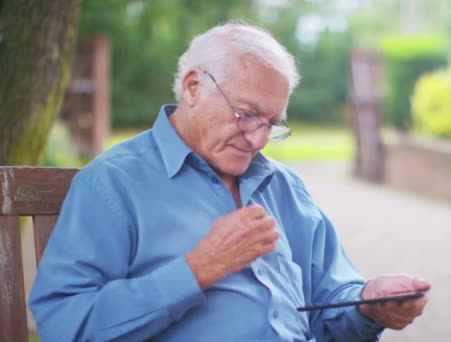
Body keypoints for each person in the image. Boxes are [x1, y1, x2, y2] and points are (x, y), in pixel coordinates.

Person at [29, 22, 430, 341]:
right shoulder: (114, 183)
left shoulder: (284, 187)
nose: (258, 138)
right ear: (193, 87)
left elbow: (329, 304)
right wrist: (195, 270)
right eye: (247, 114)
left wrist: (366, 305)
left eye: (271, 123)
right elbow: (65, 324)